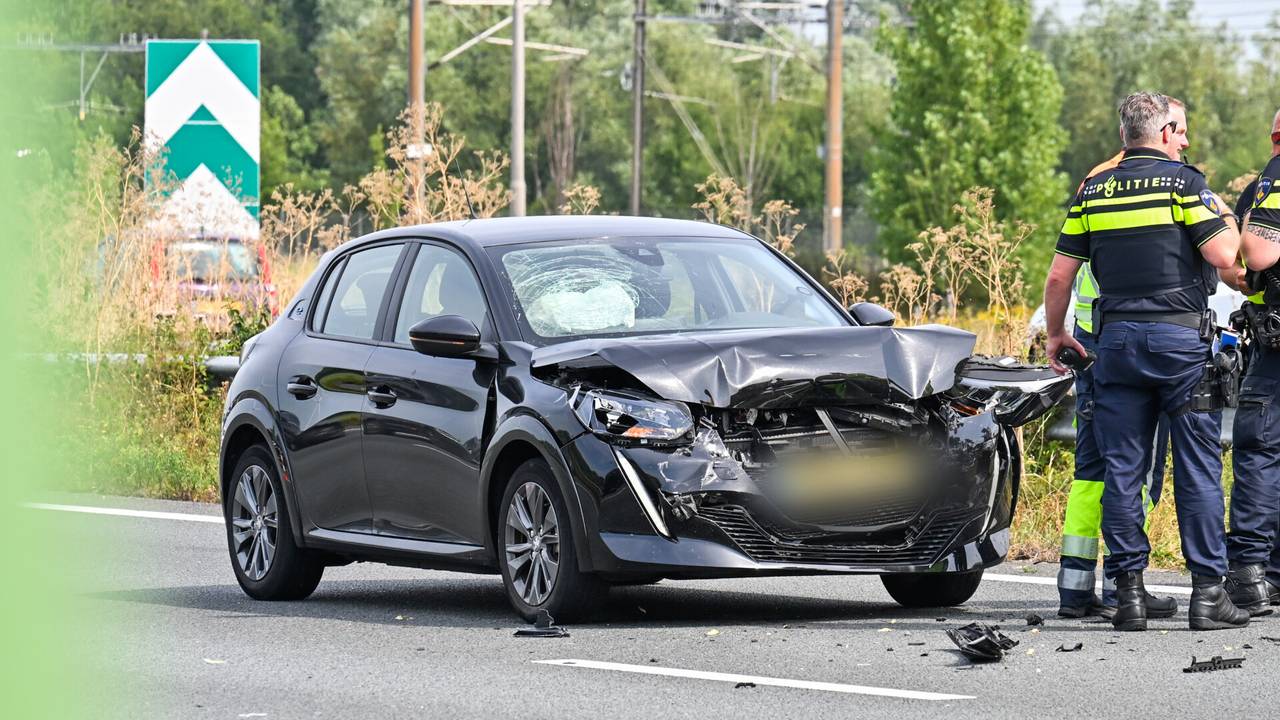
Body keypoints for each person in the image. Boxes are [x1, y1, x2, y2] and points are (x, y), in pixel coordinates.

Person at [1045, 92, 1246, 631]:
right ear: (1163, 132)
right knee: (1199, 469)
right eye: (1180, 132)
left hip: (1113, 347)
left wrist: (1056, 333)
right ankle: (1207, 593)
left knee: (1121, 470)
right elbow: (1226, 257)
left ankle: (1128, 595)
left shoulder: (1093, 190)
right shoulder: (1184, 183)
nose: (1185, 142)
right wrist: (1225, 211)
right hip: (1179, 346)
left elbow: (1060, 275)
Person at [1057, 135, 1173, 620]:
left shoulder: (1095, 189)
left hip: (1088, 350)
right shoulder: (1152, 194)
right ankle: (1123, 586)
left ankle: (1074, 588)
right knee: (1136, 470)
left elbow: (1062, 274)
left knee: (1090, 472)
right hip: (1128, 350)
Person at [1224, 107, 1280, 613]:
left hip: (1275, 347)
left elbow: (1251, 260)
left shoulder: (1271, 181)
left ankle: (1248, 572)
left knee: (1260, 450)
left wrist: (1248, 273)